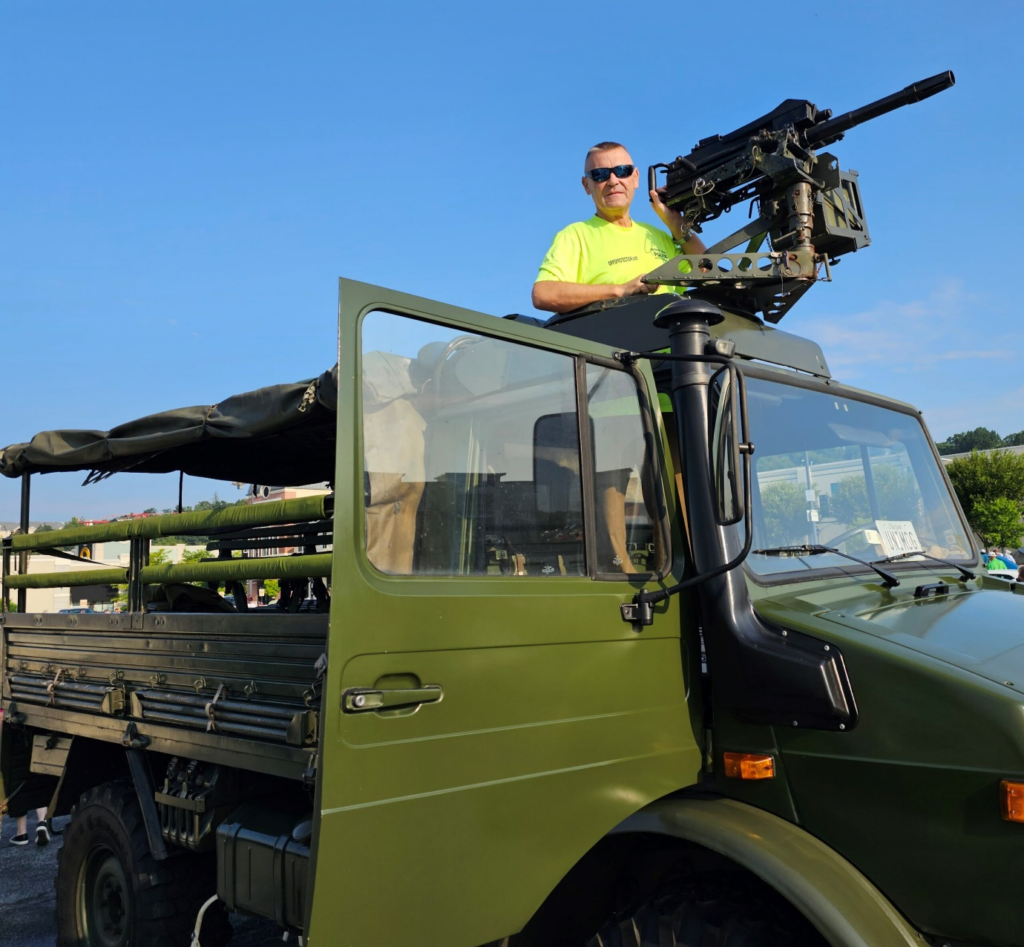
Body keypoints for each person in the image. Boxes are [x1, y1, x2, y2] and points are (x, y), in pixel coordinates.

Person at [532, 141, 707, 314]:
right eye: (600, 174)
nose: (613, 181)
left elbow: (707, 271)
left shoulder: (659, 236)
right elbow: (543, 294)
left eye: (622, 171)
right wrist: (621, 290)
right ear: (586, 185)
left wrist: (676, 224)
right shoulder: (575, 236)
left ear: (635, 178)